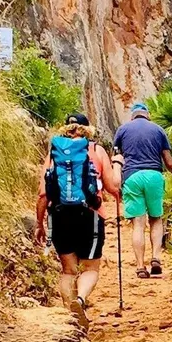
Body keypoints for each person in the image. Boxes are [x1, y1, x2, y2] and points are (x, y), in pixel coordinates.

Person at [33, 113, 119, 316]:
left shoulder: (54, 153)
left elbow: (43, 193)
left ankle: (70, 316)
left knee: (68, 270)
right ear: (88, 130)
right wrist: (118, 165)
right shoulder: (96, 150)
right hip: (90, 215)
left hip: (60, 215)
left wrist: (39, 223)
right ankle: (80, 299)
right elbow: (113, 187)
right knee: (90, 268)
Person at [112, 100, 172, 278]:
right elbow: (168, 161)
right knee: (156, 219)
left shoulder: (122, 130)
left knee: (138, 224)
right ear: (147, 114)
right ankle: (156, 257)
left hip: (132, 176)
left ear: (133, 115)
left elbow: (117, 157)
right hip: (154, 176)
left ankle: (140, 267)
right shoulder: (158, 130)